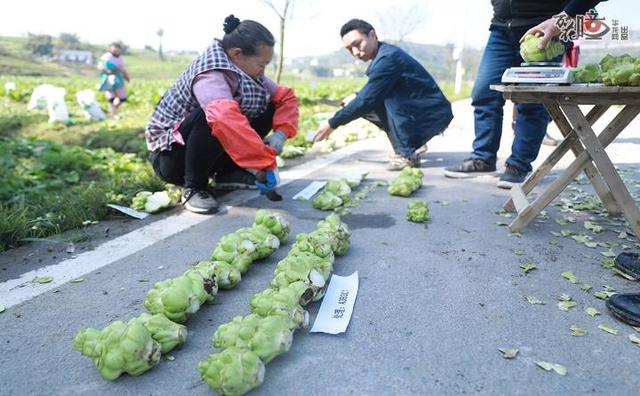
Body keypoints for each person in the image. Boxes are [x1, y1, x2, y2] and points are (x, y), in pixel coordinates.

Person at [145, 15, 298, 214]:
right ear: (237, 54)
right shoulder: (211, 73)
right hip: (173, 159)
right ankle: (194, 187)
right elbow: (223, 119)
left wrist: (281, 134)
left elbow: (285, 98)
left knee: (270, 105)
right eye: (262, 64)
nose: (263, 71)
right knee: (210, 116)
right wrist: (260, 162)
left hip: (207, 152)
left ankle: (228, 173)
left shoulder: (247, 73)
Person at [444, 0, 604, 189]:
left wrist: (565, 17)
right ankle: (483, 159)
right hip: (501, 28)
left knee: (532, 101)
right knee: (483, 94)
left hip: (545, 26)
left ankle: (518, 165)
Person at [313, 19, 453, 171]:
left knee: (373, 102)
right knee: (362, 102)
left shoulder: (387, 59)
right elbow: (376, 87)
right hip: (422, 109)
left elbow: (368, 99)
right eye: (349, 49)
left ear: (372, 35)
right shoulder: (384, 54)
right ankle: (413, 143)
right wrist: (356, 95)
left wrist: (332, 123)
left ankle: (408, 153)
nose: (355, 53)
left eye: (357, 44)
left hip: (430, 112)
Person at [97, 42, 130, 116]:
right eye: (114, 49)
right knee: (111, 97)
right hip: (108, 78)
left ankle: (113, 110)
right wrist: (107, 71)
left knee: (123, 97)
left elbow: (122, 68)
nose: (115, 51)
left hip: (118, 78)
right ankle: (112, 112)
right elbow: (100, 66)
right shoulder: (106, 57)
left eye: (117, 49)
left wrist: (126, 76)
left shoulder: (120, 58)